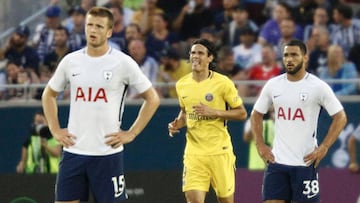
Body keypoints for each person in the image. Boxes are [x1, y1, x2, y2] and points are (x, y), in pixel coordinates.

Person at [41, 7, 160, 203]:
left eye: (99, 26)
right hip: (74, 152)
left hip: (107, 154)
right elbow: (49, 94)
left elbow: (152, 98)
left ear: (109, 31)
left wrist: (132, 133)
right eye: (90, 25)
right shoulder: (71, 61)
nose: (93, 30)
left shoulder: (123, 63)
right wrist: (54, 129)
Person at [250, 39, 347, 203]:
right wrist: (260, 144)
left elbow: (340, 117)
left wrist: (324, 147)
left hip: (305, 163)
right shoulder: (274, 85)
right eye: (286, 55)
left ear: (305, 58)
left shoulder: (318, 87)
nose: (289, 59)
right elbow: (256, 114)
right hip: (277, 162)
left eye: (294, 55)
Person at [168, 38, 248, 203]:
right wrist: (177, 123)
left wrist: (215, 112)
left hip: (220, 151)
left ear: (210, 58)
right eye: (193, 53)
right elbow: (185, 112)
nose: (195, 56)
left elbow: (241, 113)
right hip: (194, 153)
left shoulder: (223, 83)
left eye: (200, 53)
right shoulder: (182, 84)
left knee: (225, 200)